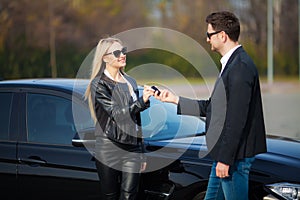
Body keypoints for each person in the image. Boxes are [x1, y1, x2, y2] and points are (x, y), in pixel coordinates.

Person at [154, 11, 267, 200]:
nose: (207, 40)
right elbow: (213, 108)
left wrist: (225, 159)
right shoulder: (231, 64)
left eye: (209, 35)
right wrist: (175, 100)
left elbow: (236, 119)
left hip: (233, 158)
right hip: (224, 154)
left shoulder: (240, 67)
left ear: (222, 35)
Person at [85, 37, 154, 200]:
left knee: (130, 195)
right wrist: (141, 102)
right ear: (105, 58)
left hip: (132, 148)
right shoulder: (99, 84)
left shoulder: (130, 81)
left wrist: (141, 151)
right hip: (109, 148)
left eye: (123, 50)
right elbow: (116, 114)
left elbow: (136, 120)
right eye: (117, 52)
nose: (122, 55)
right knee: (110, 196)